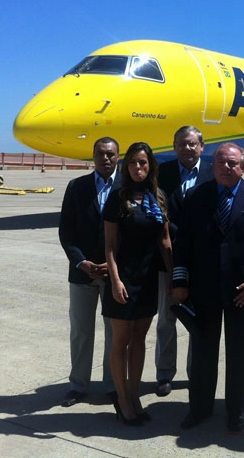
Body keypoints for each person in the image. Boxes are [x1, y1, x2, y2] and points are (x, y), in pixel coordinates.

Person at [171, 142, 244, 432]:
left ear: (243, 167)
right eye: (221, 162)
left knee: (239, 355)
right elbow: (183, 245)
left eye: (233, 163)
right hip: (203, 291)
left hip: (243, 293)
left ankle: (235, 411)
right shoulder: (195, 197)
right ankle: (200, 408)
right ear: (213, 165)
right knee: (203, 353)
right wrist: (180, 282)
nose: (227, 167)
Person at [102, 142, 173, 425]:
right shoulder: (118, 199)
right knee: (121, 341)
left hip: (147, 280)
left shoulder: (158, 198)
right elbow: (109, 245)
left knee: (140, 340)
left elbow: (165, 240)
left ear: (150, 166)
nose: (138, 168)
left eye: (143, 163)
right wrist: (115, 280)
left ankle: (134, 395)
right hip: (123, 279)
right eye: (133, 163)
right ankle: (122, 399)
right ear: (126, 166)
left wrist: (172, 275)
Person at [58, 137, 120, 408]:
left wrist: (116, 265)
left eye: (111, 154)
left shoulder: (128, 188)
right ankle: (78, 385)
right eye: (100, 154)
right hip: (83, 275)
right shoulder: (77, 187)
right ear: (92, 157)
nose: (105, 159)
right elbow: (66, 231)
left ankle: (113, 384)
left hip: (114, 276)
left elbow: (134, 233)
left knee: (114, 334)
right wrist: (81, 262)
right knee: (81, 332)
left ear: (118, 157)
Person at [153, 126, 213, 397]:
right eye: (181, 144)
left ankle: (195, 372)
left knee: (197, 321)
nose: (187, 149)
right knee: (167, 318)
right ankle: (165, 374)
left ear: (202, 146)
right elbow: (155, 212)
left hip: (202, 261)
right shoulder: (162, 174)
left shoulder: (214, 172)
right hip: (169, 257)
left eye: (192, 144)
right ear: (174, 146)